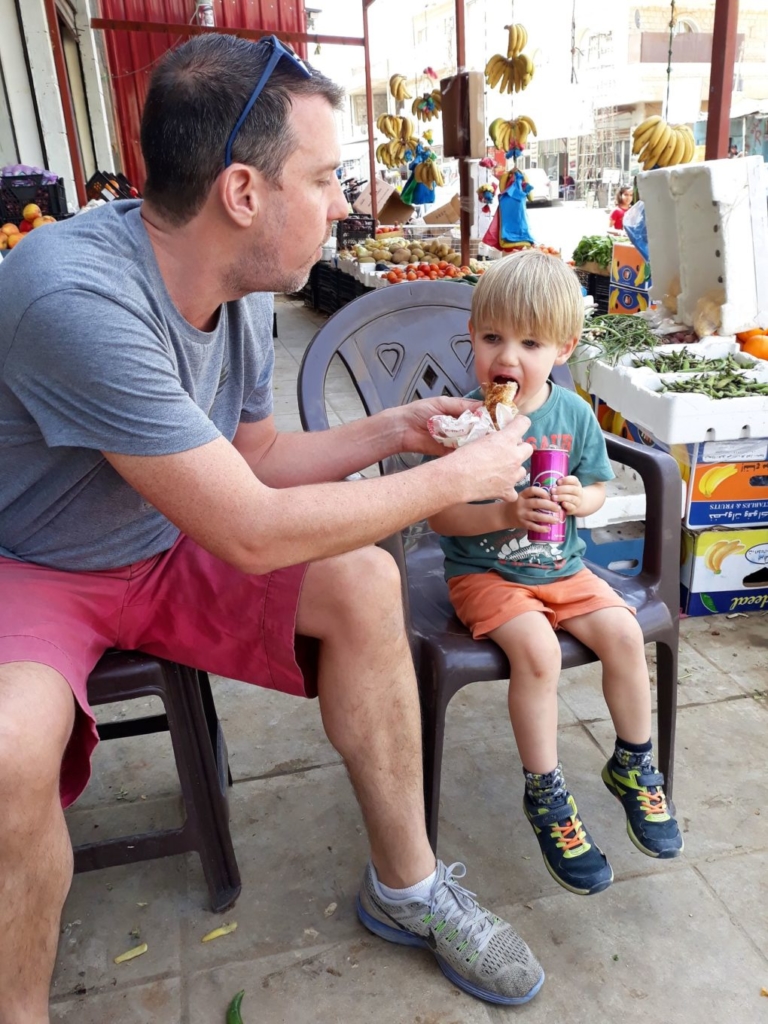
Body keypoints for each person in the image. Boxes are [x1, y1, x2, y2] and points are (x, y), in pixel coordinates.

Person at [0, 33, 545, 1019]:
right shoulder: (69, 292)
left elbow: (252, 463)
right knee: (8, 748)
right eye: (328, 178)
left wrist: (398, 429)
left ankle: (407, 887)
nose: (344, 203)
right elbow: (251, 528)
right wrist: (459, 476)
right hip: (37, 561)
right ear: (244, 193)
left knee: (365, 583)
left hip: (168, 539)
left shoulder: (243, 287)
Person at [428, 251, 682, 898]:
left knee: (625, 636)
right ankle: (544, 791)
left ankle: (633, 765)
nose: (506, 356)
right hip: (487, 576)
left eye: (530, 341)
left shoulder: (570, 414)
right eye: (492, 338)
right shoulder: (466, 422)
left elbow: (597, 485)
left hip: (564, 568)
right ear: (472, 336)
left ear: (563, 347)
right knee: (537, 653)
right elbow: (441, 519)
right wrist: (507, 511)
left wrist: (581, 501)